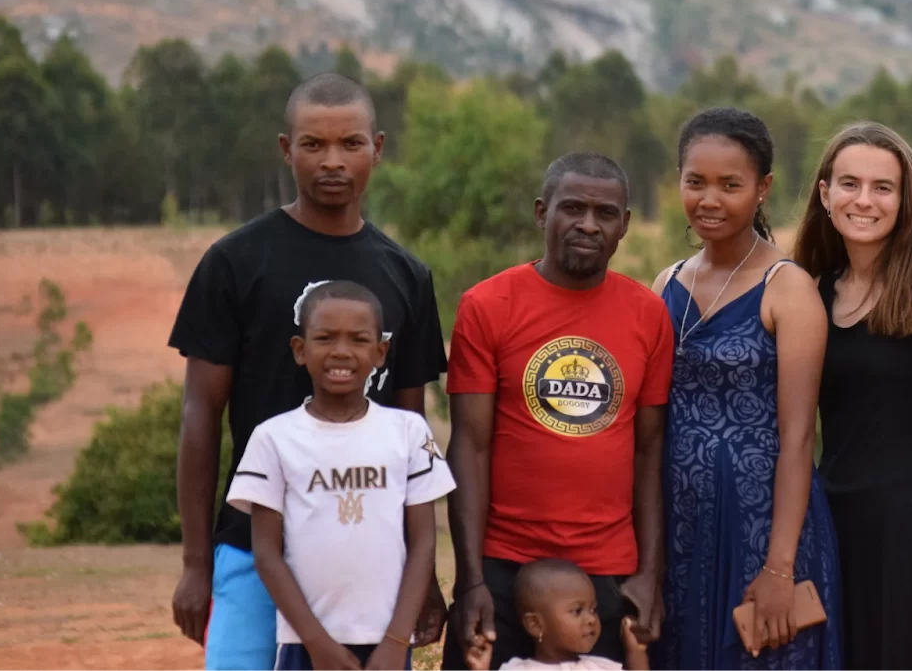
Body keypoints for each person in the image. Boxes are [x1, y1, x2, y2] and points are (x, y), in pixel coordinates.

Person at [169, 73, 449, 671]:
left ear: (377, 147)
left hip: (367, 556)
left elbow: (410, 423)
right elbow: (200, 416)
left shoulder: (407, 275)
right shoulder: (234, 262)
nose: (332, 162)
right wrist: (197, 563)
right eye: (313, 145)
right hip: (250, 548)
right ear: (285, 149)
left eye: (350, 144)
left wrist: (421, 576)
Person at [443, 153, 672, 671]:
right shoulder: (487, 305)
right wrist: (471, 579)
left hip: (607, 578)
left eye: (606, 213)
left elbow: (649, 450)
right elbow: (469, 446)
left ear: (625, 226)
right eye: (573, 208)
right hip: (504, 569)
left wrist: (648, 575)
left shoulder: (648, 315)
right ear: (542, 213)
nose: (589, 224)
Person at [651, 107, 843, 671]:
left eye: (730, 185)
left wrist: (780, 566)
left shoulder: (788, 289)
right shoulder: (666, 282)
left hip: (761, 524)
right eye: (696, 182)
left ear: (762, 189)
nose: (710, 199)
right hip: (679, 523)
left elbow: (798, 435)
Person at [792, 122, 912, 671]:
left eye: (883, 187)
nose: (864, 200)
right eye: (849, 184)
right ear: (825, 194)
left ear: (905, 200)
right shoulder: (809, 290)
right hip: (827, 521)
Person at [226, 281, 456, 671]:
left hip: (386, 642)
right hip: (307, 646)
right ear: (300, 350)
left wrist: (397, 641)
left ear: (380, 352)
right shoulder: (273, 438)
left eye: (359, 339)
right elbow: (266, 554)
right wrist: (317, 643)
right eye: (325, 337)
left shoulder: (408, 432)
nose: (342, 351)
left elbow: (422, 545)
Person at [487, 559, 652, 671]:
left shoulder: (600, 667)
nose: (591, 620)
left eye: (593, 609)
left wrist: (636, 654)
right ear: (535, 624)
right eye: (577, 611)